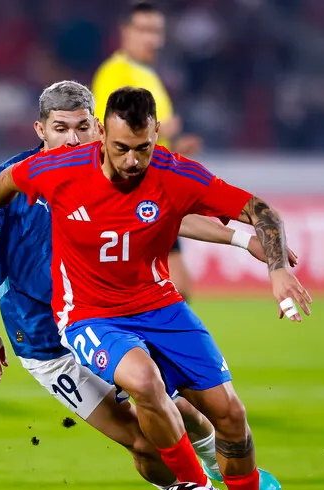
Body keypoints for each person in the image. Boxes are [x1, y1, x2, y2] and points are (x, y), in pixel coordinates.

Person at [0, 87, 312, 490]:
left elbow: (250, 211)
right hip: (82, 317)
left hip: (159, 305)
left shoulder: (170, 171)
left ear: (151, 135)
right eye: (122, 150)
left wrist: (273, 266)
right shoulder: (55, 170)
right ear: (103, 136)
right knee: (146, 389)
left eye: (143, 149)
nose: (132, 162)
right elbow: (4, 185)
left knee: (228, 413)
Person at [92, 1, 201, 298]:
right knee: (171, 288)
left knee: (175, 288)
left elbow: (153, 139)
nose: (152, 38)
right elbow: (103, 132)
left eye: (157, 31)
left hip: (156, 187)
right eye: (144, 30)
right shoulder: (115, 73)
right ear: (124, 31)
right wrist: (158, 130)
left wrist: (176, 145)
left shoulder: (149, 76)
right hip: (133, 193)